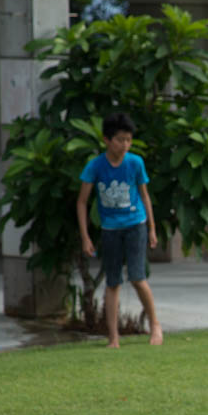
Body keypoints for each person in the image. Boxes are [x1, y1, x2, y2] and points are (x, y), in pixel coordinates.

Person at [76, 112, 162, 347]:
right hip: (109, 229)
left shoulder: (135, 163)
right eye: (120, 139)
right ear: (106, 139)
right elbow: (82, 202)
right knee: (112, 282)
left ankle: (155, 326)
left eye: (128, 140)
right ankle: (113, 337)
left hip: (136, 225)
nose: (125, 145)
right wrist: (85, 237)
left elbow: (145, 196)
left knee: (137, 277)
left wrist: (152, 229)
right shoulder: (95, 166)